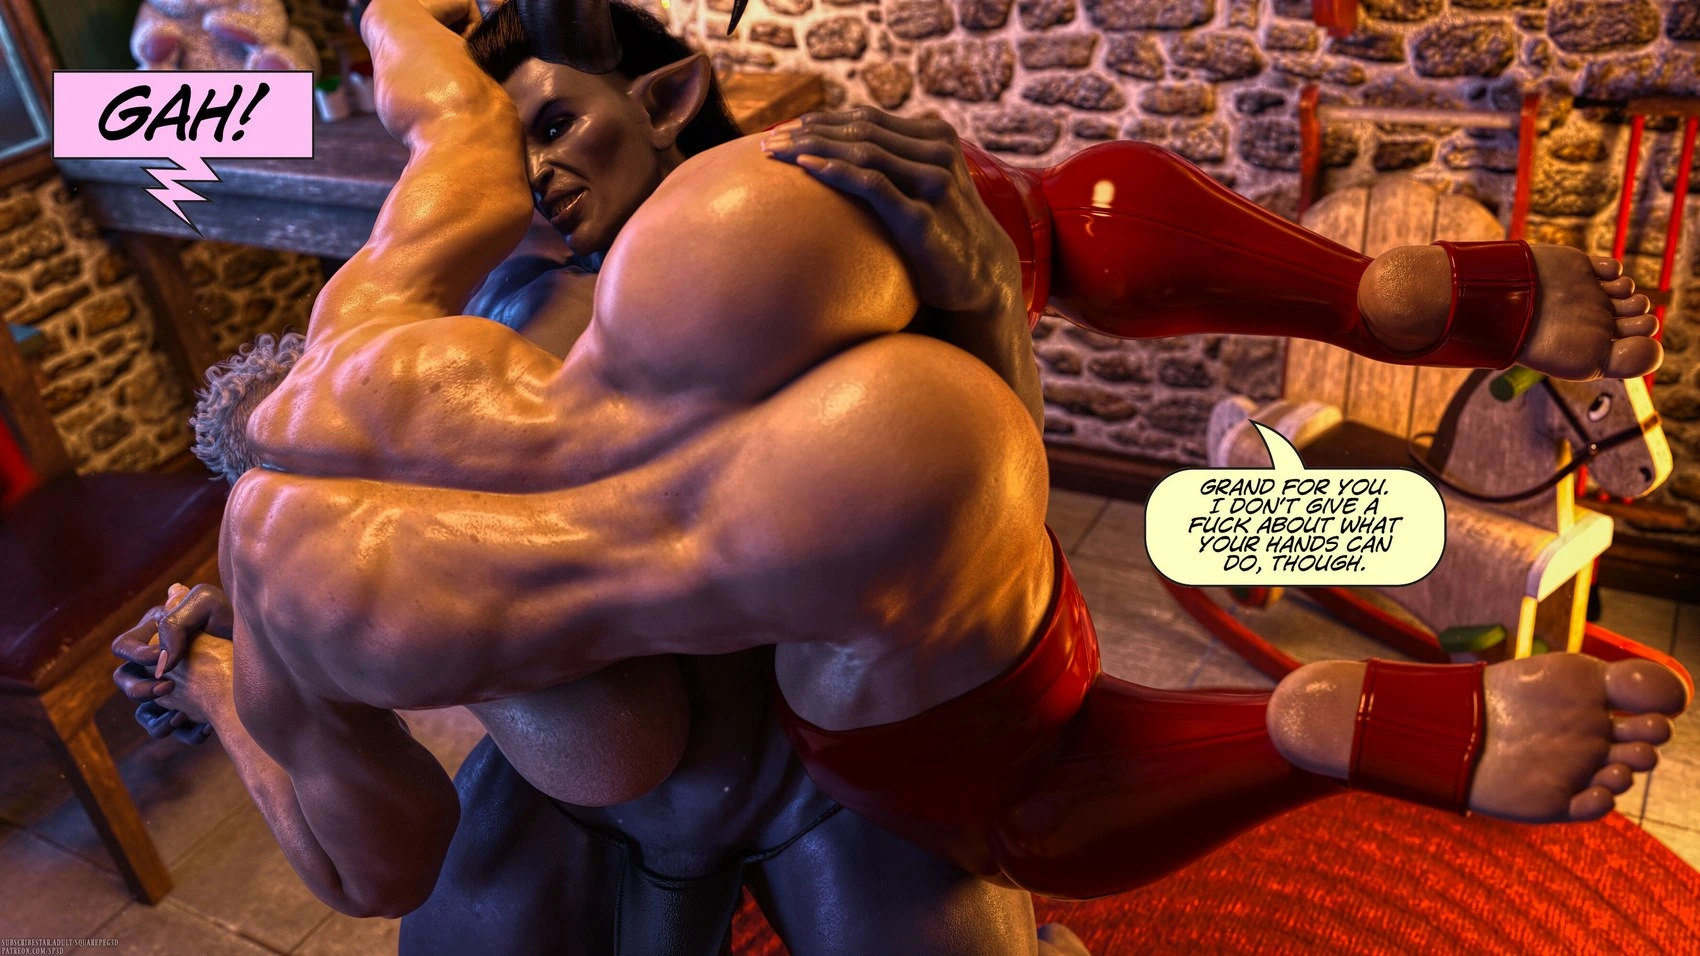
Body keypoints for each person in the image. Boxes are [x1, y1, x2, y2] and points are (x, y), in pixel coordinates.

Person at [113, 0, 1685, 953]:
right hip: (636, 767)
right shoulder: (461, 304)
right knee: (931, 406)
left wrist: (236, 673)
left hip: (827, 758)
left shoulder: (469, 317)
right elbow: (432, 96)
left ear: (664, 108)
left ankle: (1377, 325)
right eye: (517, 142)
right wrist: (229, 675)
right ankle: (1302, 705)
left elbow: (973, 531)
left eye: (567, 126)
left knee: (905, 265)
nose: (542, 171)